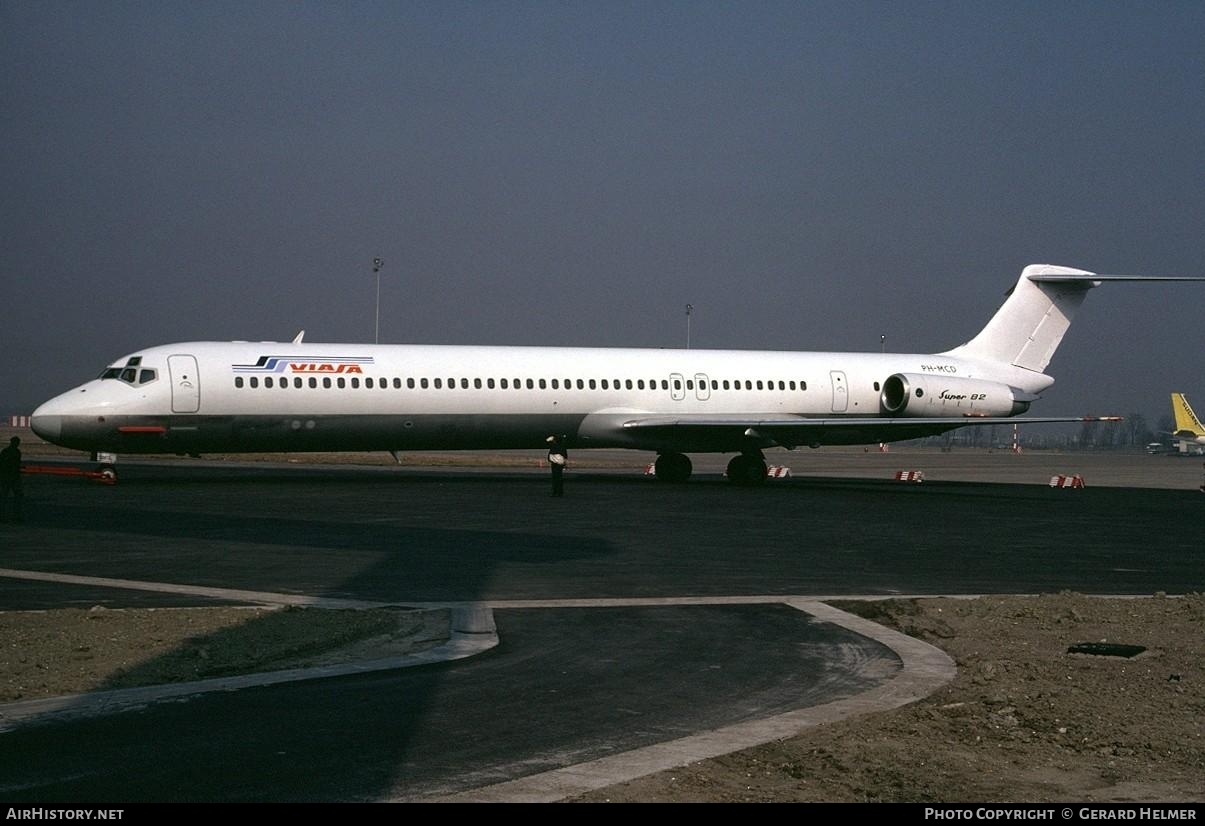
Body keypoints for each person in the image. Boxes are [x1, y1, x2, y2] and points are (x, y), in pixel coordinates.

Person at [0, 436, 23, 523]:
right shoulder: (16, 452)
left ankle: (3, 516)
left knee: (4, 497)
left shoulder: (6, 451)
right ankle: (15, 515)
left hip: (8, 477)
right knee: (16, 496)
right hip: (12, 477)